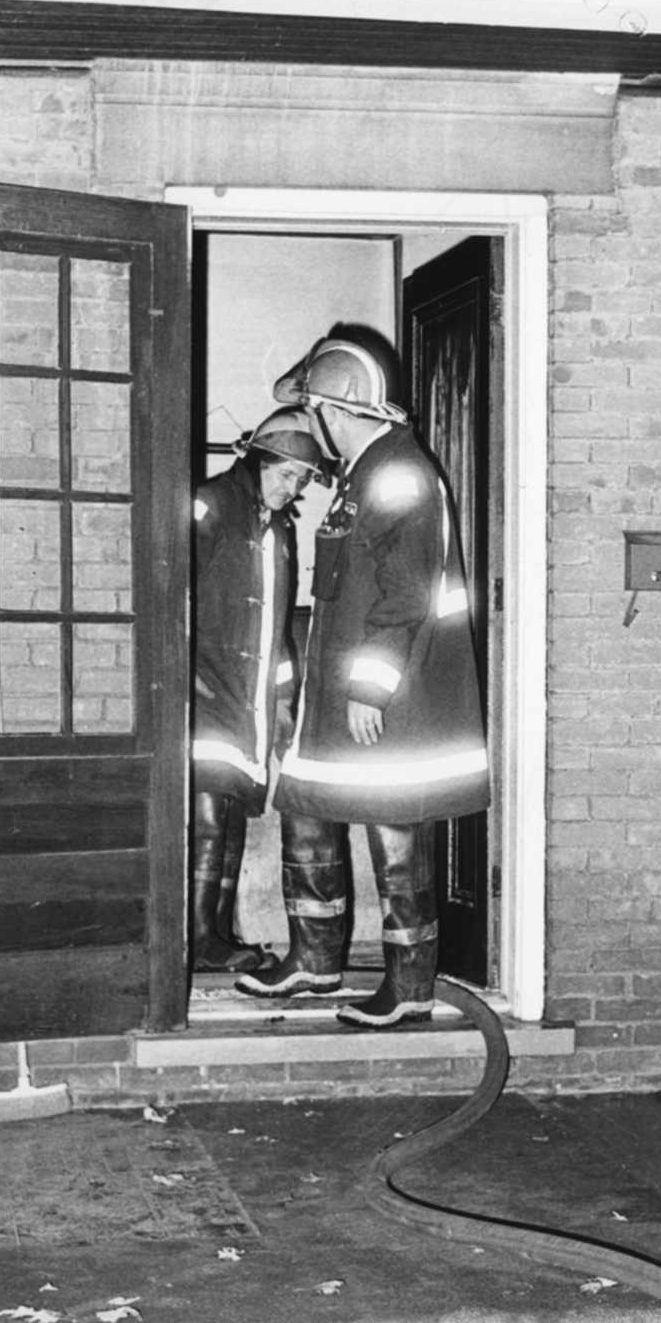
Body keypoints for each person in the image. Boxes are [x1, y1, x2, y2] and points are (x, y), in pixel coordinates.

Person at [235, 327, 489, 1026]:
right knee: (305, 804)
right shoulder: (364, 472)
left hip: (390, 701)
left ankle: (409, 987)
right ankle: (315, 961)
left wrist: (370, 687)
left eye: (313, 411)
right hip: (338, 697)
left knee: (393, 832)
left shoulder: (398, 473)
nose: (311, 425)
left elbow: (405, 593)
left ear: (334, 409)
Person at [191, 407, 327, 974]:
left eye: (301, 480)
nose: (291, 488)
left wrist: (284, 700)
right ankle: (197, 935)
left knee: (230, 811)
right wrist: (187, 675)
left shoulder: (280, 531)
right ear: (259, 459)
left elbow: (277, 628)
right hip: (205, 690)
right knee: (206, 810)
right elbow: (173, 594)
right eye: (285, 474)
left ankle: (216, 931)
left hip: (249, 700)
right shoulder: (210, 504)